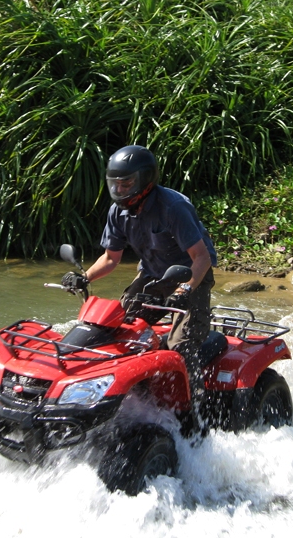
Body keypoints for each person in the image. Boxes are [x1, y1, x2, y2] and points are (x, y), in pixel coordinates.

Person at [61, 144, 217, 401]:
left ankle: (194, 410)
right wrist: (84, 277)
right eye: (115, 184)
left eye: (126, 184)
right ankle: (115, 391)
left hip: (191, 275)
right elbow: (111, 258)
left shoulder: (173, 207)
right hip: (152, 274)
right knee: (115, 327)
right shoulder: (118, 212)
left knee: (181, 346)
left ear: (145, 181)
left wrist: (185, 289)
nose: (119, 190)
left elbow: (201, 258)